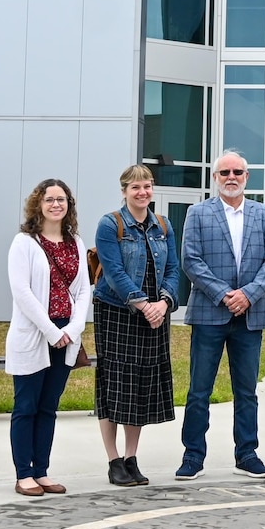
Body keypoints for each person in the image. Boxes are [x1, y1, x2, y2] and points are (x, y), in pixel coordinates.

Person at [177, 149, 265, 481]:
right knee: (199, 390)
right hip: (210, 313)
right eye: (225, 173)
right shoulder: (198, 213)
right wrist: (224, 294)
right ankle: (193, 455)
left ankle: (247, 453)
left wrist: (248, 294)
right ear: (215, 178)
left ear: (247, 177)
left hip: (249, 316)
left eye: (238, 172)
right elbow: (191, 260)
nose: (232, 177)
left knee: (247, 390)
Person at [89, 163, 180, 489]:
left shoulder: (163, 226)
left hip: (154, 314)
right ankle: (113, 460)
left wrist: (163, 303)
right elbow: (113, 272)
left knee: (141, 384)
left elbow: (173, 269)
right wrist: (143, 304)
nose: (143, 192)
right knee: (115, 383)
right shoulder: (110, 224)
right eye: (136, 187)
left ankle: (131, 457)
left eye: (147, 186)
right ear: (125, 191)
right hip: (116, 313)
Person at [4, 178, 90, 497]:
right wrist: (52, 331)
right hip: (35, 335)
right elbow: (22, 293)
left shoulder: (75, 242)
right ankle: (23, 473)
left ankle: (42, 471)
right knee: (26, 405)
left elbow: (83, 290)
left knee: (48, 407)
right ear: (38, 204)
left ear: (69, 205)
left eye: (62, 199)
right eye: (49, 199)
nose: (56, 204)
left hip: (66, 335)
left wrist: (72, 329)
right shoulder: (24, 243)